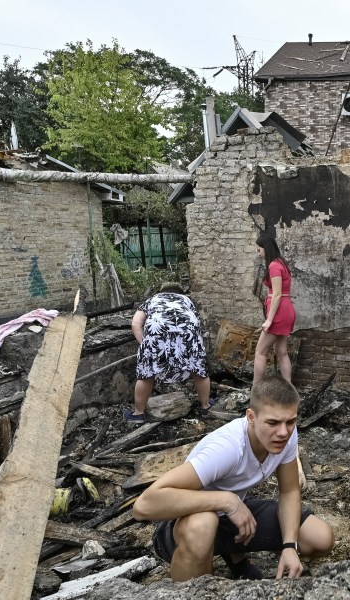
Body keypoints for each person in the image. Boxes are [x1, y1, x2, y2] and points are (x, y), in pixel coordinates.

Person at [132, 376, 335, 581]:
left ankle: (235, 557)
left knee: (319, 538)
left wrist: (289, 546)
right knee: (203, 525)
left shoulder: (286, 435)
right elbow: (143, 506)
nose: (283, 432)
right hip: (186, 524)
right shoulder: (227, 448)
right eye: (272, 422)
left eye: (291, 421)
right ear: (251, 417)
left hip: (233, 517)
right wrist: (227, 501)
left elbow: (289, 490)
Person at [125, 282, 213, 422]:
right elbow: (195, 321)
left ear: (161, 292)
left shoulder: (152, 300)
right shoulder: (187, 300)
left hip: (157, 333)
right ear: (180, 292)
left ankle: (138, 414)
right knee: (198, 369)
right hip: (187, 333)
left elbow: (136, 323)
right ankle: (206, 407)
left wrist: (146, 345)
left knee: (147, 373)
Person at [253, 235, 296, 386]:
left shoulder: (274, 265)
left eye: (259, 249)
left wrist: (269, 320)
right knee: (281, 352)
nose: (258, 253)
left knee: (260, 352)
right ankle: (289, 389)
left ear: (266, 248)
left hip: (279, 313)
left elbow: (277, 294)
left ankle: (256, 391)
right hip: (286, 311)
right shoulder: (281, 263)